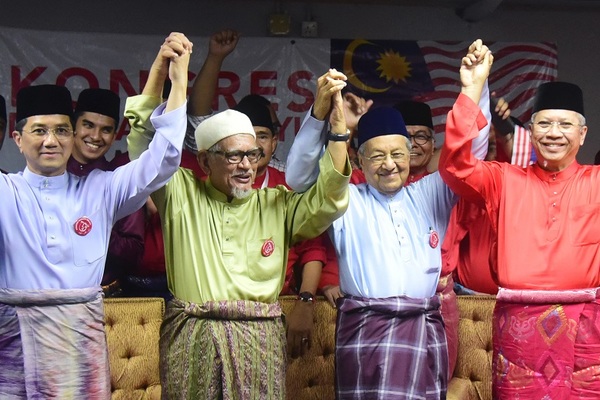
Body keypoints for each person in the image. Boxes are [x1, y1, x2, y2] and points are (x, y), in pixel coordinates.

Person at [284, 40, 492, 399]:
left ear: (410, 155)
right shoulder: (345, 199)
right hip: (366, 331)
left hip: (426, 330)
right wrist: (321, 115)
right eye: (377, 155)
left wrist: (474, 87)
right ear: (359, 160)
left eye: (398, 153)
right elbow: (298, 178)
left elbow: (470, 154)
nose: (390, 164)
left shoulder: (430, 193)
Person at [127, 70, 350, 398]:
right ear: (205, 160)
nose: (248, 165)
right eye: (234, 156)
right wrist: (163, 69)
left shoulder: (277, 204)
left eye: (254, 154)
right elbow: (143, 141)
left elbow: (329, 200)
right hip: (193, 337)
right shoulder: (179, 193)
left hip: (258, 340)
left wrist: (338, 130)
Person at [0, 32, 191, 399]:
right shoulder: (7, 191)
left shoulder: (102, 189)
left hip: (78, 343)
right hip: (14, 342)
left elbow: (163, 160)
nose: (50, 141)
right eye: (38, 131)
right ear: (17, 138)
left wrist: (177, 81)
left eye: (60, 131)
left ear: (72, 138)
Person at [440, 43, 600, 397]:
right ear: (531, 129)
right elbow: (454, 167)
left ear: (583, 134)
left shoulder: (596, 182)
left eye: (565, 124)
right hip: (518, 329)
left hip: (586, 330)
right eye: (544, 123)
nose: (554, 133)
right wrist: (471, 89)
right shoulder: (505, 179)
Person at [67, 88, 145, 297]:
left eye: (106, 130)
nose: (95, 136)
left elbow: (134, 252)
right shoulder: (52, 175)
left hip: (106, 299)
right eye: (88, 125)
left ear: (113, 136)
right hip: (52, 297)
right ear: (74, 126)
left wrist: (96, 226)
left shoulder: (119, 181)